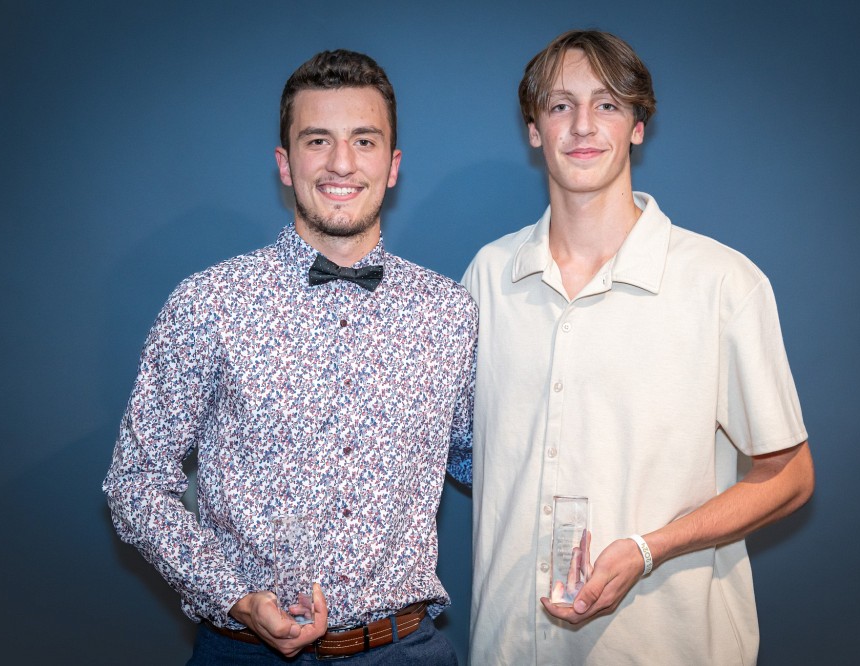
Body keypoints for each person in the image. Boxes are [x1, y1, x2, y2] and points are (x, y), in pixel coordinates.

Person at [103, 49, 476, 665]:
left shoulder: (450, 312)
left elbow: (486, 461)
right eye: (317, 140)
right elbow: (136, 482)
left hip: (405, 651)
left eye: (364, 141)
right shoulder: (209, 303)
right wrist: (234, 596)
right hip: (243, 653)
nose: (341, 163)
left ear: (392, 166)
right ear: (284, 163)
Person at [461, 30, 815, 664]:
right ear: (535, 130)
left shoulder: (722, 284)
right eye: (560, 105)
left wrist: (650, 549)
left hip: (666, 645)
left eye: (607, 104)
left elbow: (789, 476)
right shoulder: (488, 277)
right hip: (509, 646)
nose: (583, 125)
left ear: (637, 126)